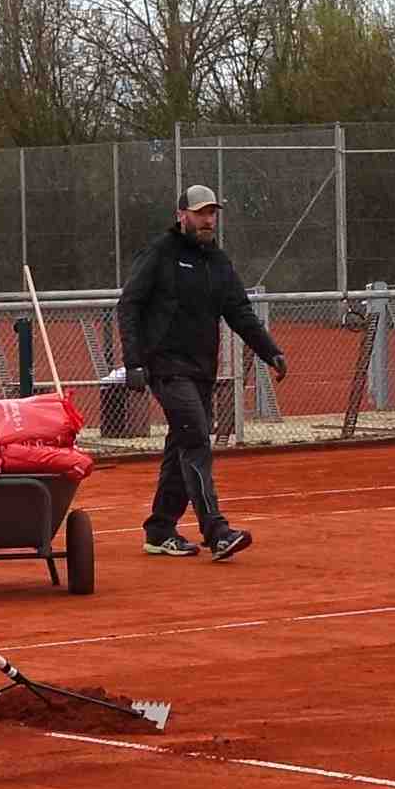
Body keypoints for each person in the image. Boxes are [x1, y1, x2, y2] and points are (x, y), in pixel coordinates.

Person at [118, 183, 287, 562]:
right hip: (165, 367)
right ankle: (216, 530)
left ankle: (160, 529)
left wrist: (269, 351)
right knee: (196, 439)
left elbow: (239, 312)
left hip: (201, 369)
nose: (208, 219)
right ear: (182, 215)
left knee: (183, 443)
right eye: (200, 212)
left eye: (212, 213)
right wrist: (134, 363)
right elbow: (129, 305)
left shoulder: (217, 261)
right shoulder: (159, 254)